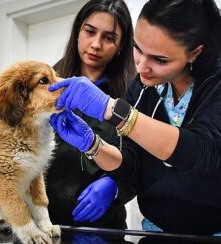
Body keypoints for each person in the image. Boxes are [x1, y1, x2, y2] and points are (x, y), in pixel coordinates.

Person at [49, 0, 221, 235]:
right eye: (137, 48)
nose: (141, 67)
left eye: (159, 60)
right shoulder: (142, 89)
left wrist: (111, 108)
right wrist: (92, 145)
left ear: (195, 52)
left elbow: (202, 149)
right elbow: (132, 164)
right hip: (155, 231)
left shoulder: (215, 83)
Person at [46, 0, 136, 229]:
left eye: (109, 37)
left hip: (105, 228)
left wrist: (115, 186)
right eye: (90, 31)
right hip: (45, 222)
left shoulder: (133, 93)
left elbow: (144, 161)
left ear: (121, 45)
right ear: (78, 31)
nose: (96, 44)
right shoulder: (46, 83)